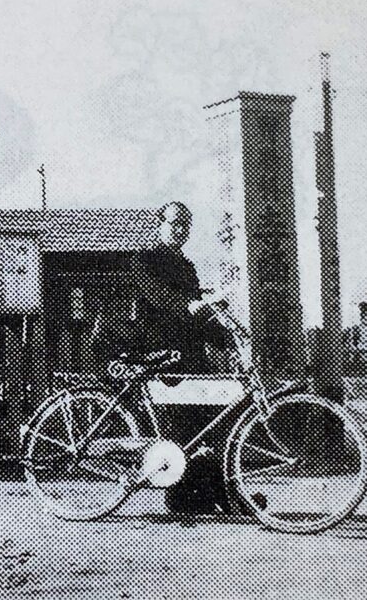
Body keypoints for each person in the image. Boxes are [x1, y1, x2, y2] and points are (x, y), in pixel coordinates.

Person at [128, 201, 232, 517]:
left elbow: (198, 316)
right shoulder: (145, 260)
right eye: (174, 223)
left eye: (185, 224)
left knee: (211, 423)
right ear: (159, 225)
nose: (180, 229)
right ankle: (185, 496)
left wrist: (225, 337)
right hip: (161, 353)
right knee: (184, 426)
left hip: (189, 355)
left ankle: (209, 494)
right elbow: (161, 298)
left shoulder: (188, 267)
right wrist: (189, 305)